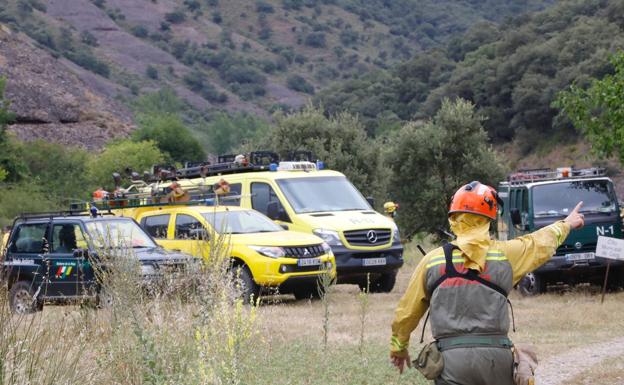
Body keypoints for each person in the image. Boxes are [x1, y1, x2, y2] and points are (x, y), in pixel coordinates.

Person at [389, 181, 585, 384]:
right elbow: (538, 242)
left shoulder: (431, 261)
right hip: (497, 359)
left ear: (454, 217)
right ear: (489, 217)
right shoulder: (506, 255)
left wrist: (398, 347)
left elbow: (406, 312)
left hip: (450, 362)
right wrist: (567, 224)